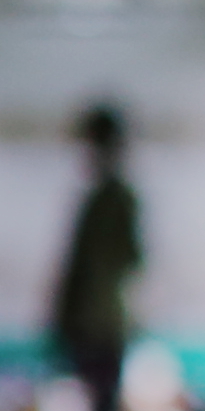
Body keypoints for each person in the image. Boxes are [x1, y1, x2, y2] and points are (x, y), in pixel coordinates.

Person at [51, 102, 147, 395]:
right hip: (95, 324)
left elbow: (127, 260)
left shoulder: (115, 199)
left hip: (99, 327)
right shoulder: (103, 198)